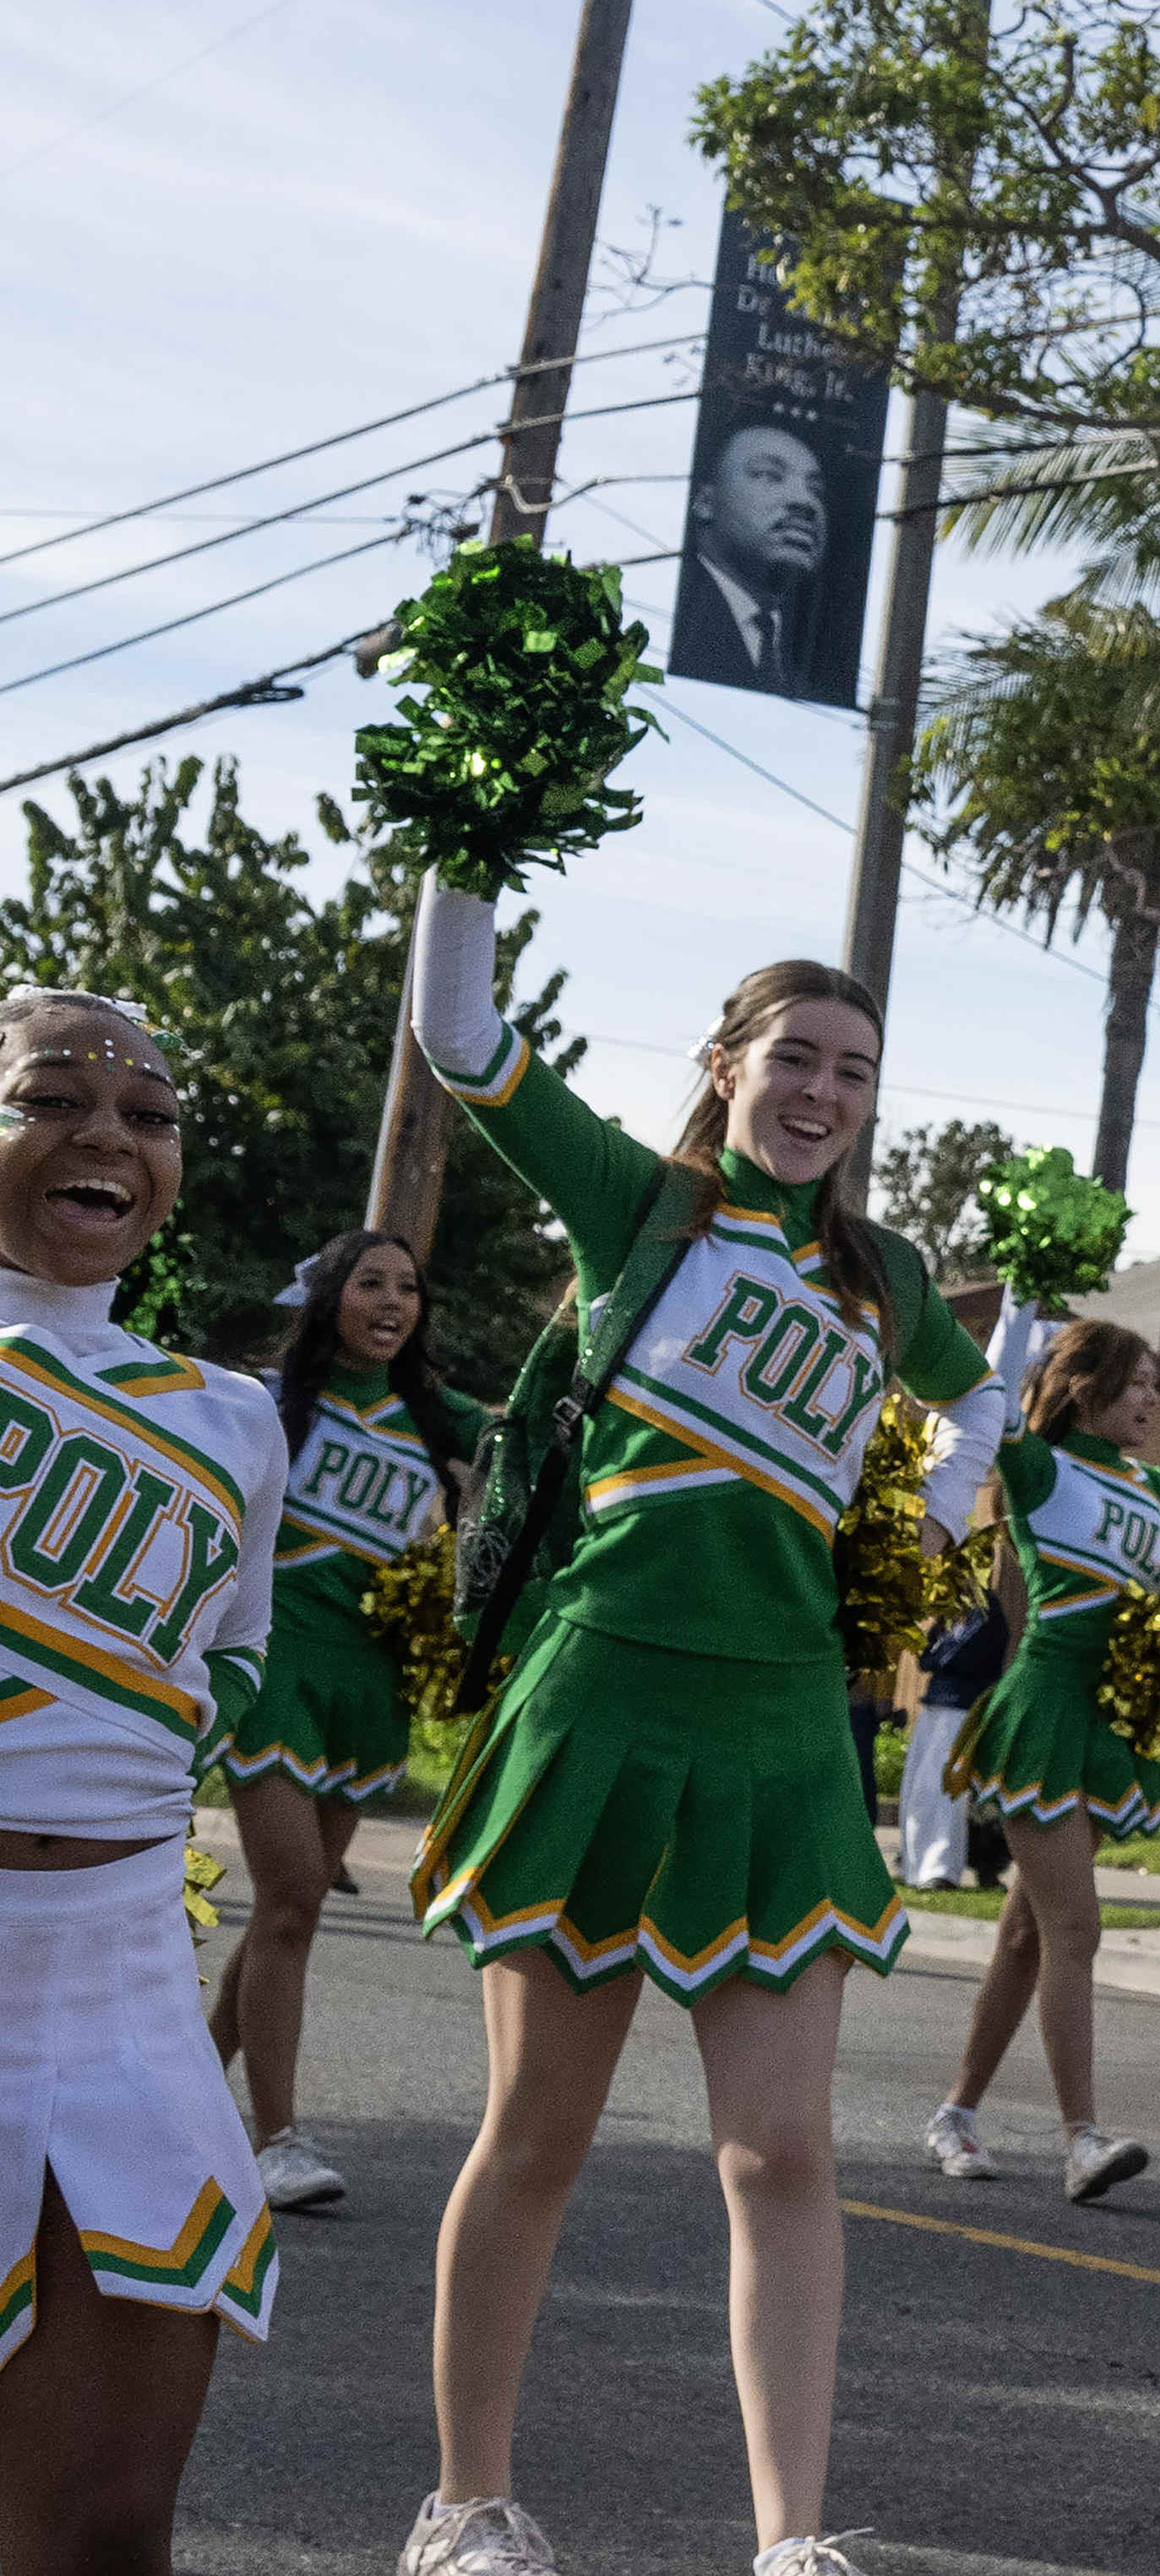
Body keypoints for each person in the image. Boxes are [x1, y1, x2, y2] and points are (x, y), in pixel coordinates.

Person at [389, 901, 1012, 2576]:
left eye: (853, 1072)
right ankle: (465, 2504)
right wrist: (477, 836)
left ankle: (792, 2539)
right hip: (600, 1694)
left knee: (785, 2146)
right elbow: (461, 1034)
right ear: (726, 1065)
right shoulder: (644, 1204)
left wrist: (926, 1519)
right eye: (794, 1057)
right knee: (537, 2134)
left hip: (780, 1724)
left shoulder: (881, 1283)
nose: (822, 1091)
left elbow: (990, 1393)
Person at [0, 986, 289, 2576]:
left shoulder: (233, 1417)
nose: (107, 1130)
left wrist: (165, 1724)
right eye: (51, 1096)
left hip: (120, 1974)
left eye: (151, 1114)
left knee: (107, 2523)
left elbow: (238, 1638)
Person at [210, 1226, 476, 2216]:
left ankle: (185, 2089)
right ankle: (276, 2140)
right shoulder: (271, 1406)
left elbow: (532, 1462)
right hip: (276, 1668)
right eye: (371, 1282)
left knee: (295, 1909)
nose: (392, 1300)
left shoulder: (438, 1415)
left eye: (409, 1286)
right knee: (288, 1902)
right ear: (331, 1297)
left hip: (371, 1684)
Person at [924, 1314, 1160, 2205]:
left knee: (1029, 1931)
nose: (1154, 1397)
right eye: (1138, 1381)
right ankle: (1081, 2138)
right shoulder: (1038, 1471)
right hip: (1041, 1712)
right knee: (1075, 1926)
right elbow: (994, 1398)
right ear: (1086, 1388)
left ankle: (956, 2112)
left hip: (1105, 1723)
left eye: (1156, 1382)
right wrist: (1022, 1296)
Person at [670, 422, 829, 698]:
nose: (806, 502)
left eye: (815, 490)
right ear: (705, 502)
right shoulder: (669, 612)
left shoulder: (813, 650)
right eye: (770, 475)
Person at [893, 1590, 1005, 1894]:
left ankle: (940, 1868)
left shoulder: (986, 1612)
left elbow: (962, 1658)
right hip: (935, 1704)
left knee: (944, 1790)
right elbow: (927, 1658)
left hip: (962, 1709)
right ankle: (913, 1863)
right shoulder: (949, 1614)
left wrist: (942, 1651)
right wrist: (942, 1648)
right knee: (918, 1788)